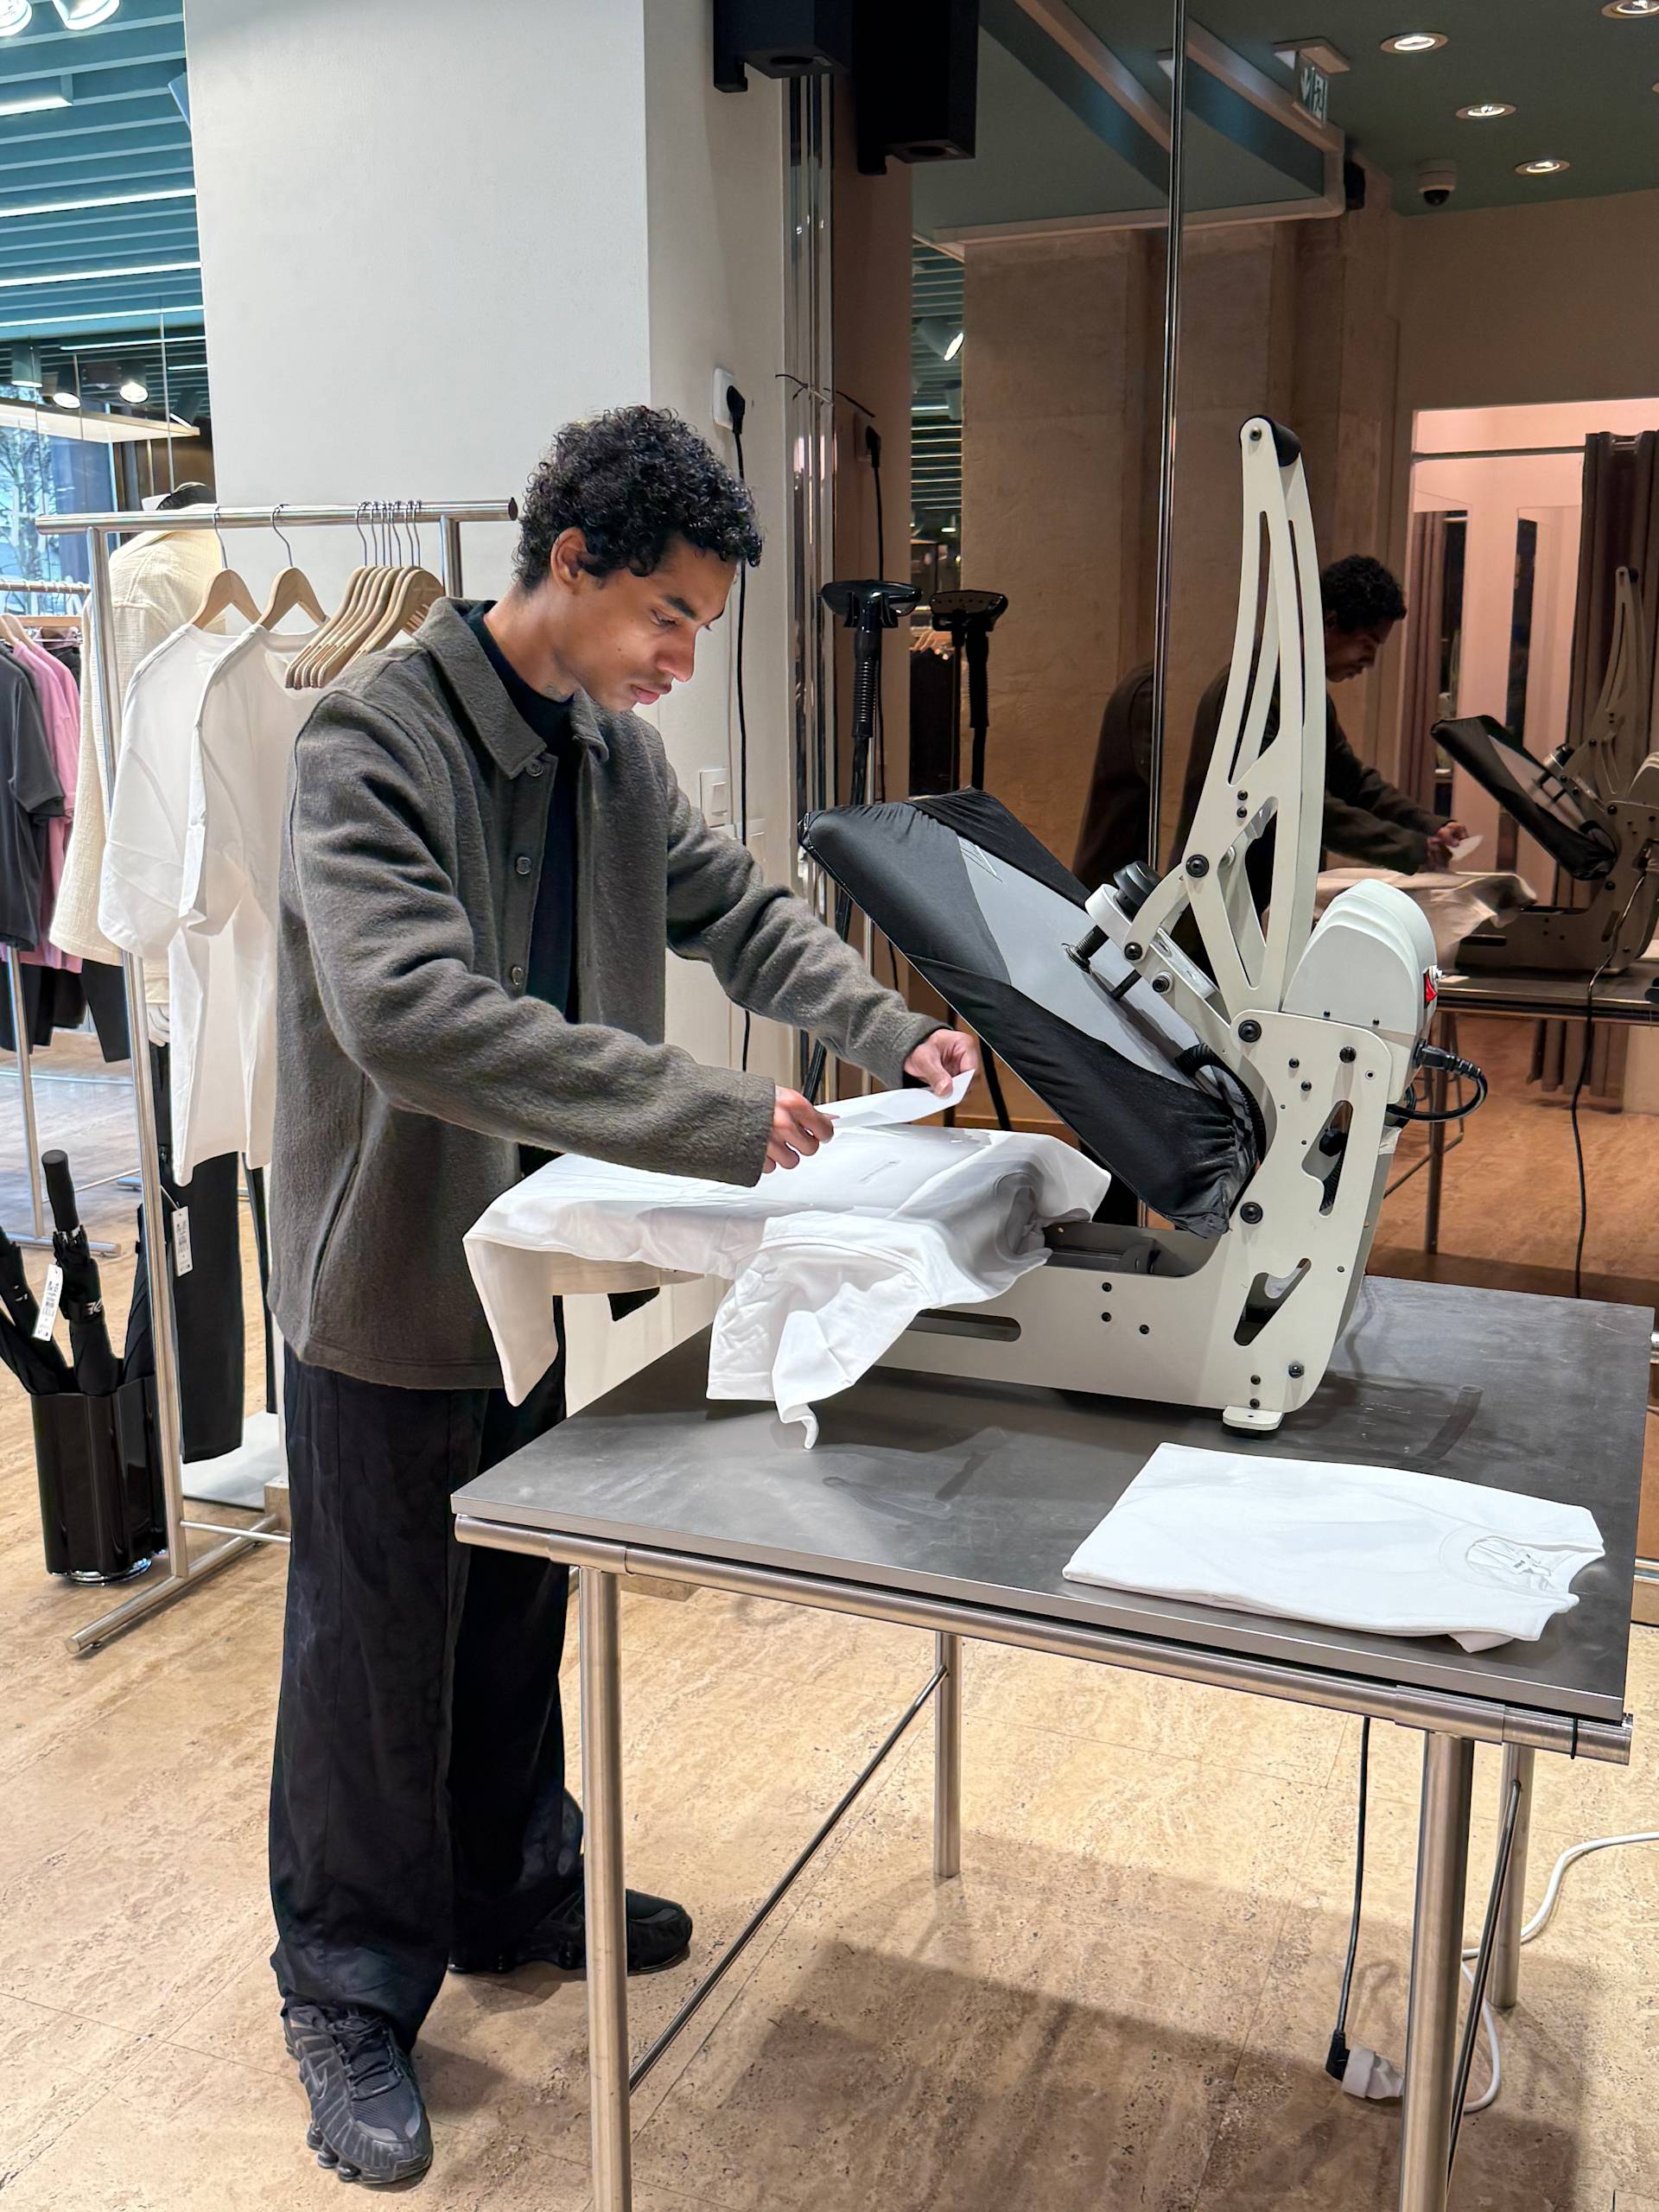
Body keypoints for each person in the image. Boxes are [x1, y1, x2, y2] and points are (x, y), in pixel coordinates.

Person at [267, 406, 977, 2187]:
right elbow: (406, 1011)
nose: (680, 657)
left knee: (519, 1598)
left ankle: (512, 1883)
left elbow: (735, 909)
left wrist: (891, 1024)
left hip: (559, 1265)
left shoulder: (607, 750)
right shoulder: (370, 738)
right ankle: (349, 1986)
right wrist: (717, 1118)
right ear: (569, 564)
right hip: (392, 1274)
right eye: (669, 615)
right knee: (377, 1640)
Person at [1174, 556, 1469, 882]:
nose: (1370, 661)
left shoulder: (1306, 695)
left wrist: (1428, 825)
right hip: (1224, 892)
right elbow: (1289, 804)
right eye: (1367, 643)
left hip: (1273, 895)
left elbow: (1353, 783)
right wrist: (1408, 847)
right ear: (1330, 623)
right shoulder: (1252, 693)